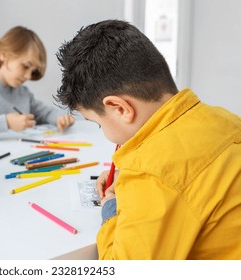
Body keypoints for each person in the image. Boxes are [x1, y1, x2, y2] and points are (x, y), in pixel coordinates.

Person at [55, 20, 241, 259]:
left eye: (99, 124)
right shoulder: (226, 120)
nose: (103, 132)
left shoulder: (150, 172)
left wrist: (112, 206)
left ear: (119, 108)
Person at [0, 26, 74, 141]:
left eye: (33, 71)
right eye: (25, 66)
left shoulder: (23, 93)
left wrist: (60, 118)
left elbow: (44, 113)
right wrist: (6, 122)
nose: (28, 76)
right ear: (3, 55)